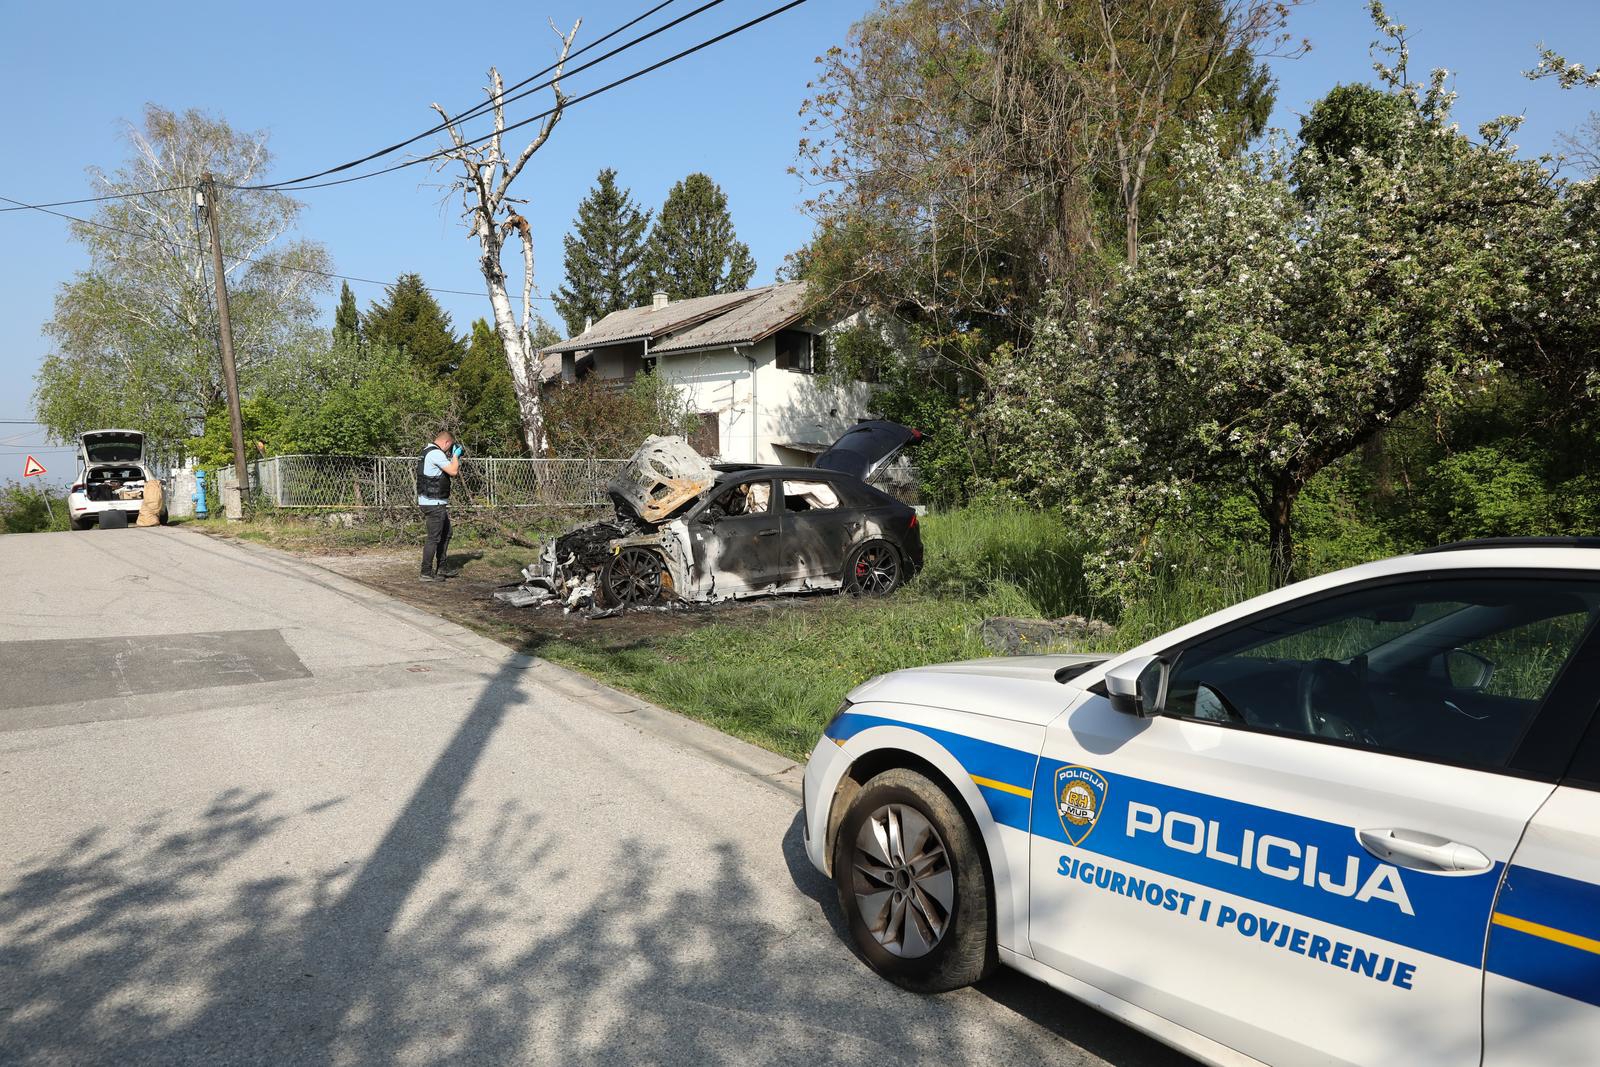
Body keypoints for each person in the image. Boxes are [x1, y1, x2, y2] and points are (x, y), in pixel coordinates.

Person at [416, 427, 463, 581]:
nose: (448, 451)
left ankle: (442, 568)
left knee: (447, 533)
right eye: (449, 447)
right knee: (434, 538)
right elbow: (453, 471)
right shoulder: (436, 453)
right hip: (434, 503)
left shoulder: (426, 450)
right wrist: (456, 456)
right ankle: (426, 572)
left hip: (431, 501)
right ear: (447, 442)